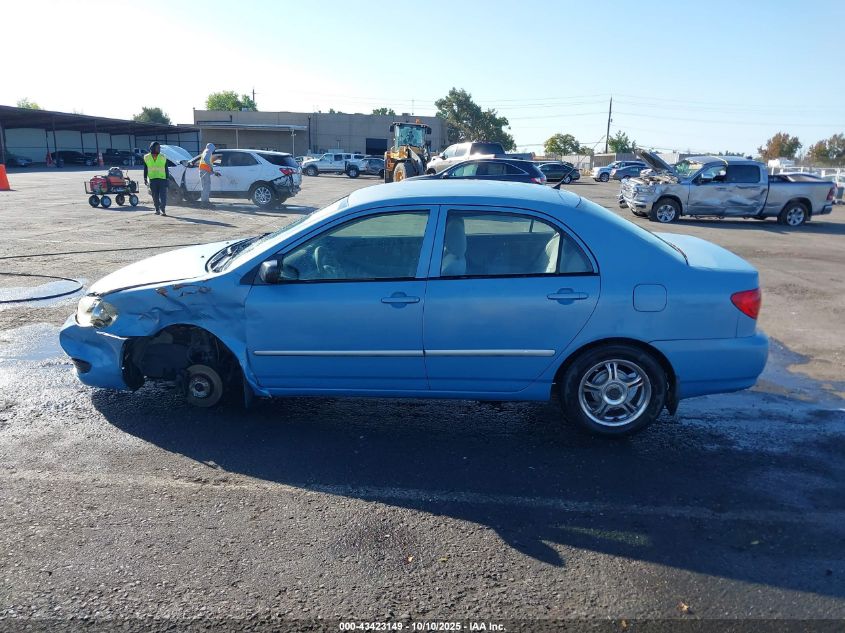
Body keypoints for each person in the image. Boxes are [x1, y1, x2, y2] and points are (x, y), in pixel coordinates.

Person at [143, 142, 169, 216]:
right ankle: (157, 209)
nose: (159, 149)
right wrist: (145, 178)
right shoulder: (146, 157)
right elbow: (145, 168)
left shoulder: (163, 156)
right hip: (152, 179)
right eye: (157, 148)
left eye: (159, 148)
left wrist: (167, 179)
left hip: (162, 179)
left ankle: (163, 209)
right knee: (155, 196)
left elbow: (166, 169)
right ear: (152, 148)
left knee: (163, 195)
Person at [198, 142, 220, 208]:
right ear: (211, 147)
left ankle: (205, 201)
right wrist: (210, 166)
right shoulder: (208, 151)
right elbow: (206, 159)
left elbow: (206, 161)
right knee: (206, 187)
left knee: (205, 187)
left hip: (204, 171)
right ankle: (205, 203)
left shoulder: (206, 151)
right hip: (204, 171)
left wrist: (213, 171)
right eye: (213, 148)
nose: (214, 150)